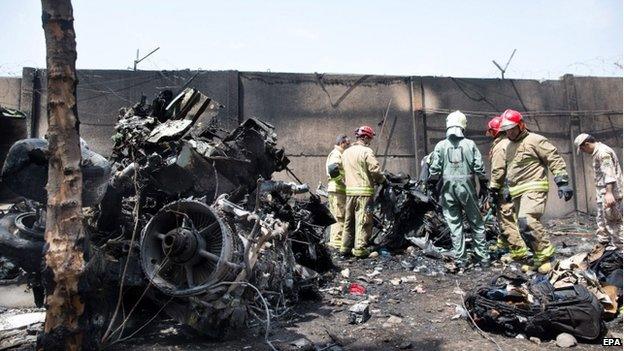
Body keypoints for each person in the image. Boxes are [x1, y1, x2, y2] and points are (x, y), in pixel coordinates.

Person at [498, 109, 573, 273]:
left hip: (534, 187)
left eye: (512, 128)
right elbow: (510, 168)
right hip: (517, 191)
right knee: (522, 227)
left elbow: (554, 158)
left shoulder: (535, 140)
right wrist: (507, 188)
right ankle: (537, 258)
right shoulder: (509, 146)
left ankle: (548, 258)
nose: (509, 132)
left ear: (521, 125)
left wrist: (562, 182)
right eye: (506, 130)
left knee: (527, 220)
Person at [428, 111, 490, 269]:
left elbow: (434, 170)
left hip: (448, 188)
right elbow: (479, 167)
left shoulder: (441, 145)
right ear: (463, 125)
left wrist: (431, 187)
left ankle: (461, 259)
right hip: (467, 187)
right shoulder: (470, 144)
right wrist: (483, 185)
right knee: (476, 222)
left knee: (455, 224)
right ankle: (483, 258)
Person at [486, 115, 529, 262]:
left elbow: (497, 171)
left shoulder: (500, 146)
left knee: (507, 220)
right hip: (515, 187)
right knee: (509, 217)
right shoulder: (512, 143)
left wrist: (493, 189)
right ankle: (503, 243)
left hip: (504, 189)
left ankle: (518, 252)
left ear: (495, 131)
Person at [341, 126, 385, 258]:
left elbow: (343, 172)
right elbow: (375, 170)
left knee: (349, 220)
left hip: (349, 192)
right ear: (365, 137)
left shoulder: (346, 152)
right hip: (364, 192)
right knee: (363, 220)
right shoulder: (366, 151)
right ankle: (360, 249)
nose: (369, 141)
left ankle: (345, 247)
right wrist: (383, 180)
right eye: (369, 138)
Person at [574, 133, 623, 250]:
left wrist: (609, 193)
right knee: (602, 220)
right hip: (603, 193)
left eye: (582, 149)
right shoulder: (597, 153)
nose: (583, 152)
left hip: (610, 193)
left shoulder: (603, 153)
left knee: (614, 222)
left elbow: (609, 174)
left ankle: (621, 250)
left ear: (586, 144)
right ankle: (604, 245)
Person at [326, 134, 350, 250]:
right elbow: (332, 169)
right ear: (342, 143)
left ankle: (337, 241)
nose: (349, 146)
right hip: (337, 190)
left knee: (340, 215)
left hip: (338, 190)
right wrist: (343, 183)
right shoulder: (336, 154)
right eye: (347, 144)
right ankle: (336, 242)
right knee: (339, 216)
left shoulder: (340, 154)